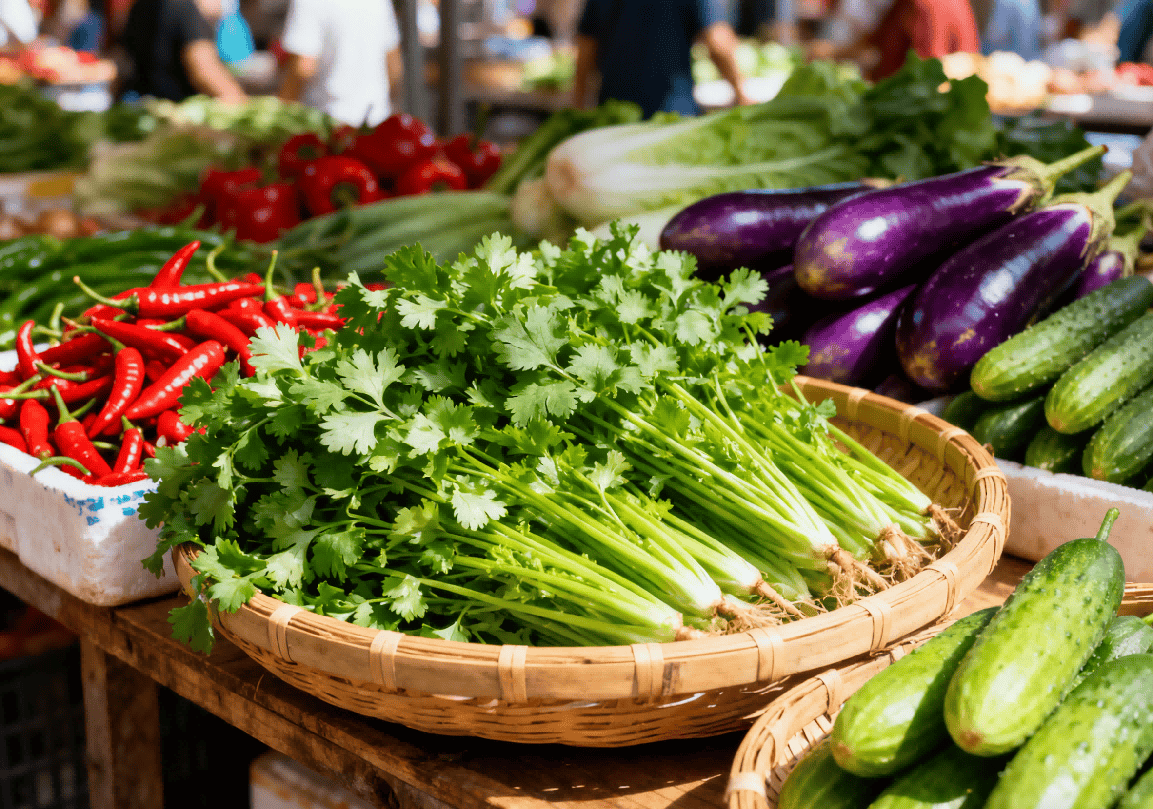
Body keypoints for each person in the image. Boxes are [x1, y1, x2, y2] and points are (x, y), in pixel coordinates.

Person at [572, 0, 751, 118]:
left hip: (614, 112)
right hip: (670, 115)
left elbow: (586, 46)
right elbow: (717, 41)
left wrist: (579, 103)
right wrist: (742, 95)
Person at [277, 0, 402, 127]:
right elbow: (394, 66)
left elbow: (302, 68)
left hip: (327, 125)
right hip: (376, 122)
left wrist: (280, 116)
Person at [120, 0, 247, 101]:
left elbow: (122, 57)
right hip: (180, 114)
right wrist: (238, 100)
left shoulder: (140, 6)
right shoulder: (185, 8)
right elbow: (203, 67)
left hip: (146, 105)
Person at [867, 0, 980, 78]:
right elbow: (873, 41)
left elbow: (928, 70)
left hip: (900, 104)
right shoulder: (960, 4)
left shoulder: (925, 6)